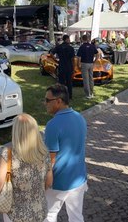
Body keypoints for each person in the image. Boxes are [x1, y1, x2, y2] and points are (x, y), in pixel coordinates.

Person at [0, 114, 53, 222]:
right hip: (40, 212)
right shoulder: (44, 152)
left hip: (16, 215)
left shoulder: (9, 154)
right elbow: (49, 182)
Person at [43, 84, 88, 222]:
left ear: (58, 101)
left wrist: (45, 182)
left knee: (48, 216)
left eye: (47, 100)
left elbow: (51, 159)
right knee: (76, 217)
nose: (45, 104)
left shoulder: (52, 125)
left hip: (58, 182)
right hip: (79, 178)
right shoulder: (80, 117)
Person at [51, 34, 75, 100]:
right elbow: (73, 59)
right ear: (66, 39)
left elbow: (51, 53)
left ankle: (61, 96)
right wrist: (73, 67)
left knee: (61, 82)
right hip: (69, 66)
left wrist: (55, 60)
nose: (70, 40)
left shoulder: (59, 47)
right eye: (69, 39)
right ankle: (69, 96)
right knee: (69, 82)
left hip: (61, 66)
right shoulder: (71, 48)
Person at [76, 34, 97, 99]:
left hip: (84, 63)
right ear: (87, 39)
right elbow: (97, 54)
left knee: (85, 79)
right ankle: (92, 93)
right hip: (91, 63)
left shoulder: (82, 47)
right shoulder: (92, 46)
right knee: (91, 78)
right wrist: (94, 61)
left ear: (82, 39)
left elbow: (78, 57)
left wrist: (78, 64)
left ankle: (88, 95)